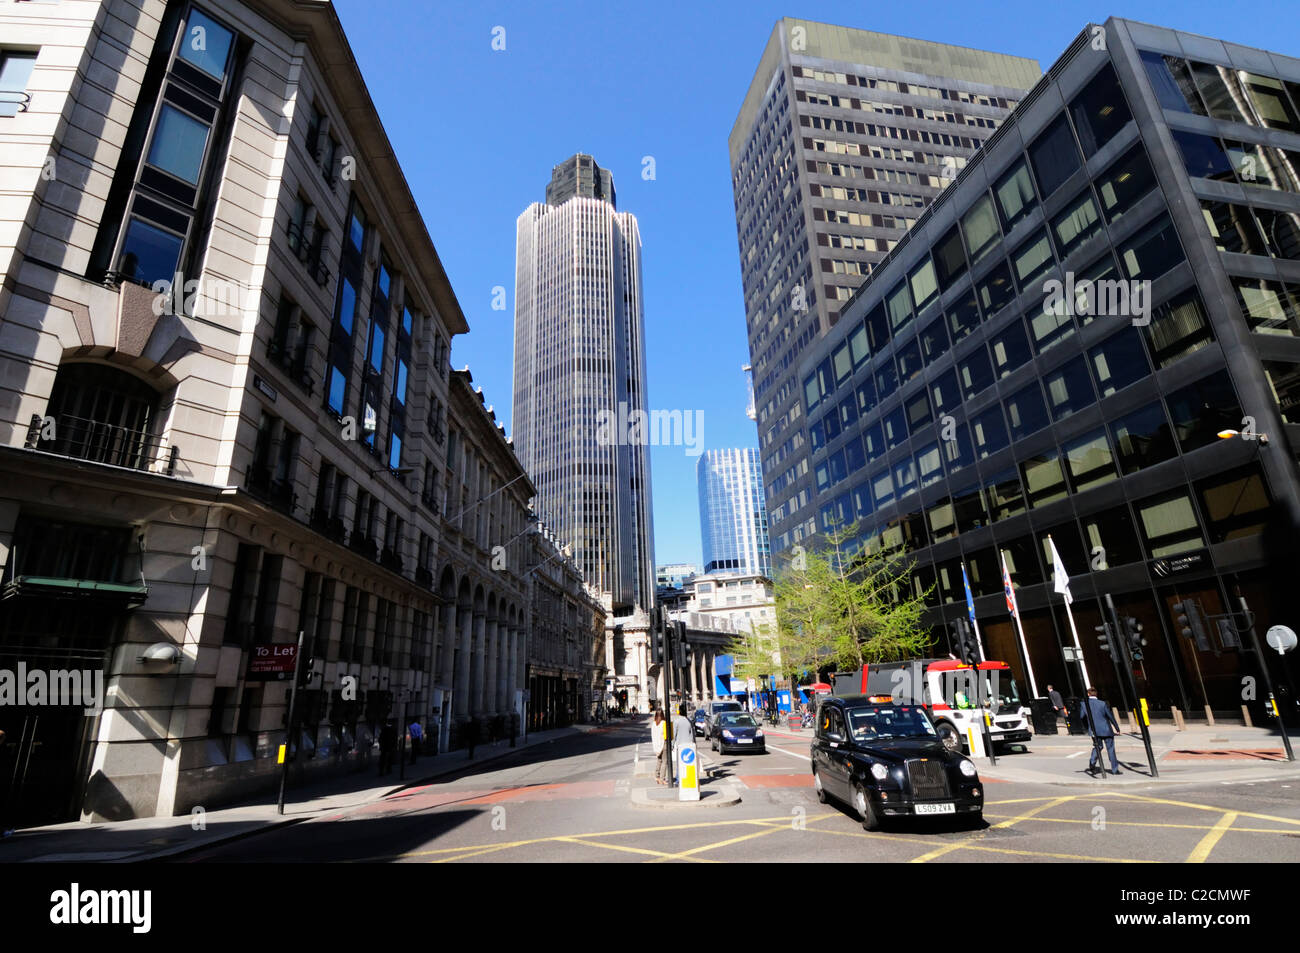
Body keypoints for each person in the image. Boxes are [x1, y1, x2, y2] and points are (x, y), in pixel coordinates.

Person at [1079, 687, 1122, 775]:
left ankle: (1092, 763)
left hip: (1094, 730)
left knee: (1098, 747)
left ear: (1088, 694)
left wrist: (1088, 727)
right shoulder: (1102, 704)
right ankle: (1114, 770)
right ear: (1096, 694)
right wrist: (1117, 728)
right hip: (1106, 729)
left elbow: (1081, 717)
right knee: (1110, 749)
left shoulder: (1084, 704)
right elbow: (1110, 716)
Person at [671, 704, 693, 786]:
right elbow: (691, 734)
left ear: (679, 711)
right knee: (688, 763)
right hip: (689, 745)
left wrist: (672, 745)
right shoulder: (689, 721)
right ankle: (688, 778)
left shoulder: (676, 721)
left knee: (679, 763)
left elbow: (674, 734)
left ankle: (678, 780)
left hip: (680, 745)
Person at [651, 710, 671, 785]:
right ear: (663, 715)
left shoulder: (653, 723)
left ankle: (657, 776)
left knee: (659, 760)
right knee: (664, 761)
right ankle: (662, 779)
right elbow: (667, 734)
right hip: (663, 744)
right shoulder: (664, 723)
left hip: (656, 745)